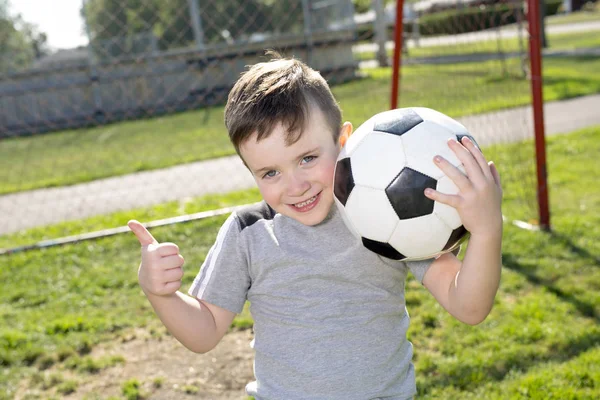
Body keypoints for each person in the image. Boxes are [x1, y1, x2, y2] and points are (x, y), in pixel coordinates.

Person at [128, 52, 503, 399]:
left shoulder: (383, 215)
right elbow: (204, 332)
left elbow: (468, 307)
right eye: (270, 172)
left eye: (307, 158)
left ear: (344, 142)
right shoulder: (248, 232)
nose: (295, 185)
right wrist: (159, 293)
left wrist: (485, 231)